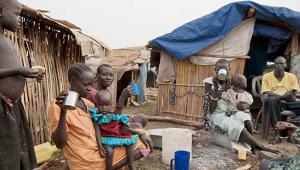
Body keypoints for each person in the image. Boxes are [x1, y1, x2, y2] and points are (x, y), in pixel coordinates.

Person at [49, 63, 153, 170]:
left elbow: (110, 123)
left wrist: (139, 132)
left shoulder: (88, 104)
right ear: (72, 80)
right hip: (86, 162)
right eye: (85, 85)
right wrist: (63, 112)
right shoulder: (57, 106)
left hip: (100, 152)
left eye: (91, 85)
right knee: (143, 145)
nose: (89, 89)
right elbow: (60, 144)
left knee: (142, 136)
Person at [0, 0, 44, 169]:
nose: (19, 19)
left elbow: (11, 74)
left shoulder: (8, 42)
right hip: (1, 108)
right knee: (5, 156)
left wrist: (30, 76)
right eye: (17, 14)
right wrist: (17, 70)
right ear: (1, 11)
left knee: (18, 153)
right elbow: (13, 71)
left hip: (13, 107)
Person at [204, 59, 277, 153]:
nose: (221, 71)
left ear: (229, 70)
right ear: (215, 70)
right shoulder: (209, 83)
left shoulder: (233, 82)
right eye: (219, 69)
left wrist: (246, 106)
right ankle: (261, 146)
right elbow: (211, 109)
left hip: (233, 111)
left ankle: (253, 144)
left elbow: (243, 99)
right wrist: (216, 88)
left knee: (246, 117)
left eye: (225, 68)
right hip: (217, 115)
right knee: (237, 127)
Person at [89, 90, 147, 170]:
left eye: (107, 105)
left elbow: (120, 124)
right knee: (110, 152)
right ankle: (109, 168)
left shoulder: (112, 115)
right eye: (101, 105)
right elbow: (97, 131)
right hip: (105, 139)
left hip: (115, 136)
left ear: (111, 105)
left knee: (129, 142)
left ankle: (131, 164)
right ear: (96, 105)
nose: (104, 108)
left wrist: (128, 126)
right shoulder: (97, 117)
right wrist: (100, 146)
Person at [87, 64, 148, 128]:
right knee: (139, 122)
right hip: (102, 126)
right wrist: (122, 97)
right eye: (104, 75)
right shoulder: (94, 93)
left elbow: (109, 113)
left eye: (111, 75)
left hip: (108, 121)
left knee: (142, 118)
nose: (108, 78)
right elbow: (107, 120)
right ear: (97, 75)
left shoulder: (105, 90)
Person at [261, 56, 300, 127]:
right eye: (277, 63)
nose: (279, 65)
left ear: (286, 65)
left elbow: (294, 91)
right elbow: (266, 91)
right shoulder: (266, 76)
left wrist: (289, 96)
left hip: (289, 103)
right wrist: (282, 97)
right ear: (274, 65)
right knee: (271, 99)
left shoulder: (291, 76)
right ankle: (278, 129)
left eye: (282, 63)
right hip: (275, 102)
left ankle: (295, 129)